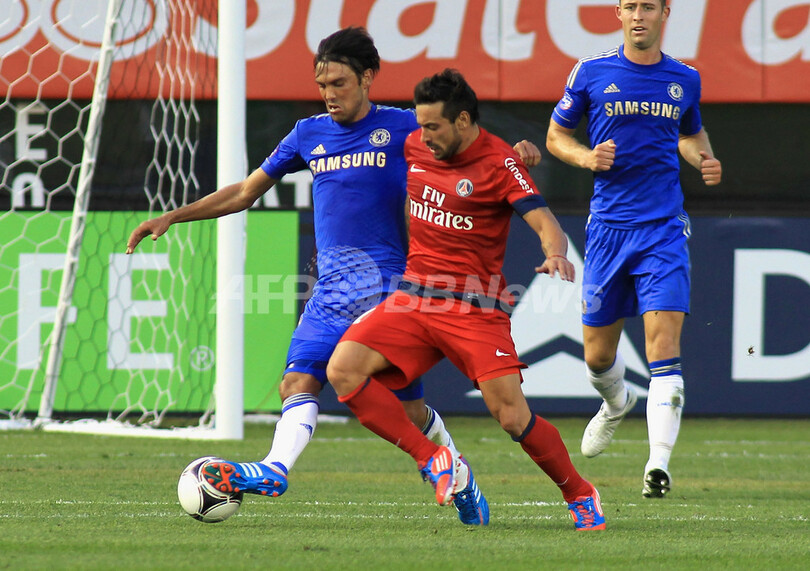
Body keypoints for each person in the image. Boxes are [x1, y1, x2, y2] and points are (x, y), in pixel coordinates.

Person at [126, 27, 538, 525]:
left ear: (367, 78)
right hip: (331, 290)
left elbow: (465, 147)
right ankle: (275, 469)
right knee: (296, 381)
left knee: (409, 412)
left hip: (390, 289)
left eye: (339, 83)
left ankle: (460, 476)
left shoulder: (402, 128)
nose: (329, 94)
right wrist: (174, 216)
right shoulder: (307, 134)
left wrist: (514, 153)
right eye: (323, 85)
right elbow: (245, 191)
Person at [326, 68, 606, 531]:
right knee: (343, 371)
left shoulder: (500, 163)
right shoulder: (414, 144)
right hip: (414, 298)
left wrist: (556, 253)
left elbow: (545, 222)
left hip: (474, 308)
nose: (424, 136)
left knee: (512, 417)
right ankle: (435, 459)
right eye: (421, 125)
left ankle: (579, 492)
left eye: (433, 126)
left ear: (462, 120)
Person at [545, 0, 722, 498]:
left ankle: (657, 465)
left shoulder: (684, 78)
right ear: (618, 14)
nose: (638, 15)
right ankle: (615, 402)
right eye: (630, 7)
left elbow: (689, 132)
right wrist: (586, 157)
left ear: (666, 12)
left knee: (663, 348)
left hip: (663, 229)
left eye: (648, 6)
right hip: (608, 231)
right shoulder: (590, 72)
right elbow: (556, 136)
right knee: (597, 356)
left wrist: (703, 157)